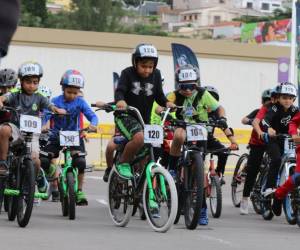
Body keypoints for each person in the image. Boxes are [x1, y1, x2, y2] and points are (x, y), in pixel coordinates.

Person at [165, 64, 238, 225]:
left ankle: (202, 208)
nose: (188, 90)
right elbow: (160, 107)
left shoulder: (204, 94)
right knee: (178, 134)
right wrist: (165, 108)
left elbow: (220, 108)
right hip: (182, 127)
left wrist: (223, 119)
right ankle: (172, 168)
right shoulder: (174, 95)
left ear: (196, 83)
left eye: (191, 86)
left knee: (199, 174)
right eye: (184, 86)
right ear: (178, 84)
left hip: (201, 131)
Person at [113, 43, 175, 180]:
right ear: (135, 62)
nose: (147, 70)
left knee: (150, 148)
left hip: (144, 119)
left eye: (150, 67)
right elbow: (120, 91)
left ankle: (142, 186)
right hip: (125, 115)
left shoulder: (156, 75)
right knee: (140, 137)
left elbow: (159, 95)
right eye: (143, 66)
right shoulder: (127, 73)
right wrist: (120, 101)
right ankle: (123, 163)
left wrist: (166, 103)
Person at [40, 69, 98, 205]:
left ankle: (79, 191)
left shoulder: (81, 102)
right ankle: (52, 171)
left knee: (80, 162)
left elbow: (92, 116)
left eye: (75, 92)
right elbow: (46, 114)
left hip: (74, 135)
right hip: (56, 135)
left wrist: (94, 124)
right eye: (69, 92)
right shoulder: (55, 101)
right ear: (63, 88)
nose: (72, 95)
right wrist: (44, 125)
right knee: (43, 160)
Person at [0, 61, 66, 177]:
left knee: (36, 161)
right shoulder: (16, 93)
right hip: (17, 129)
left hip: (32, 134)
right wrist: (1, 101)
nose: (31, 85)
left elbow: (50, 106)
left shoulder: (40, 97)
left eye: (35, 83)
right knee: (4, 129)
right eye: (28, 82)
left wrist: (57, 110)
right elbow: (4, 97)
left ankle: (35, 180)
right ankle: (3, 162)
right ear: (21, 81)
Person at [260, 82, 298, 217]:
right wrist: (268, 129)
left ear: (294, 99)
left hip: (289, 140)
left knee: (294, 160)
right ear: (279, 98)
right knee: (276, 160)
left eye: (290, 98)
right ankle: (269, 188)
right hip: (274, 140)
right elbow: (264, 121)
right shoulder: (275, 108)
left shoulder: (296, 110)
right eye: (284, 97)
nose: (287, 100)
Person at [239, 88, 272, 215]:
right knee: (253, 170)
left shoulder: (277, 113)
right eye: (266, 100)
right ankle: (245, 198)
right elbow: (244, 119)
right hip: (257, 144)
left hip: (272, 144)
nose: (269, 102)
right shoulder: (259, 112)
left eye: (271, 100)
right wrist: (251, 121)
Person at [204, 85, 238, 185]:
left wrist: (233, 141)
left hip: (209, 140)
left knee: (224, 152)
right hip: (195, 140)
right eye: (208, 98)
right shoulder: (197, 111)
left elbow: (224, 127)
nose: (210, 102)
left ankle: (219, 174)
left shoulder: (216, 113)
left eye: (213, 99)